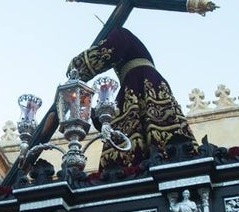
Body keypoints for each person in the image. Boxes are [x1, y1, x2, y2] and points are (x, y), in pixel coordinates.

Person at [67, 26, 195, 170]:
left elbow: (109, 51)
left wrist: (76, 69)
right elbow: (111, 124)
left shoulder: (119, 32)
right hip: (138, 83)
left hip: (142, 82)